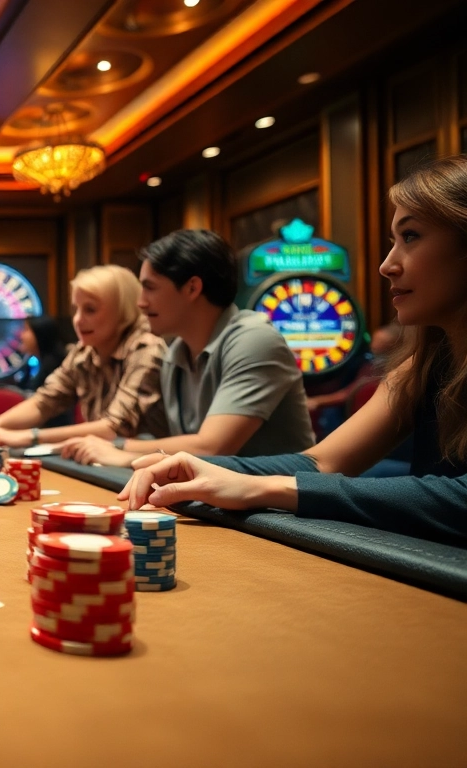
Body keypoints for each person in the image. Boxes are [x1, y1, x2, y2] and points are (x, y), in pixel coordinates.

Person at [121, 155, 467, 546]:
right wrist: (194, 468)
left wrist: (264, 489)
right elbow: (321, 462)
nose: (387, 265)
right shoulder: (422, 363)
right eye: (393, 241)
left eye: (411, 236)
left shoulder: (252, 335)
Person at [60, 230, 315, 467]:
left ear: (192, 288)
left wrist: (118, 448)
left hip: (282, 512)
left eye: (150, 288)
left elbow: (212, 448)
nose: (140, 303)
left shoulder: (256, 340)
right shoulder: (175, 354)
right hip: (219, 503)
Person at [0, 265, 169, 452]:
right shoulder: (85, 352)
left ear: (122, 311)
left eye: (90, 309)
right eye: (76, 309)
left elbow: (114, 428)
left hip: (156, 473)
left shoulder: (146, 349)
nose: (78, 320)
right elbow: (44, 402)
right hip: (106, 464)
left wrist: (27, 437)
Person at [13, 315, 65, 392]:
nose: (21, 336)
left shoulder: (56, 369)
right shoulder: (31, 363)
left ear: (40, 334)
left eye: (26, 329)